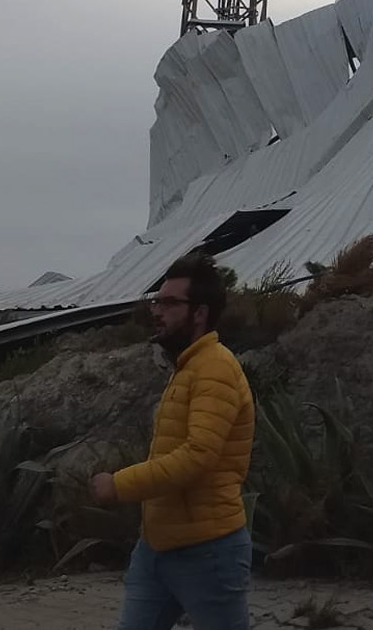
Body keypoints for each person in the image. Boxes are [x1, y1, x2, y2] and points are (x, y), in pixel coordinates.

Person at [91, 253, 255, 630]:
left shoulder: (214, 367)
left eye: (168, 303)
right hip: (156, 548)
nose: (156, 311)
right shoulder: (189, 367)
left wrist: (119, 485)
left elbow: (198, 456)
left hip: (207, 551)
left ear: (199, 313)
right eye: (156, 301)